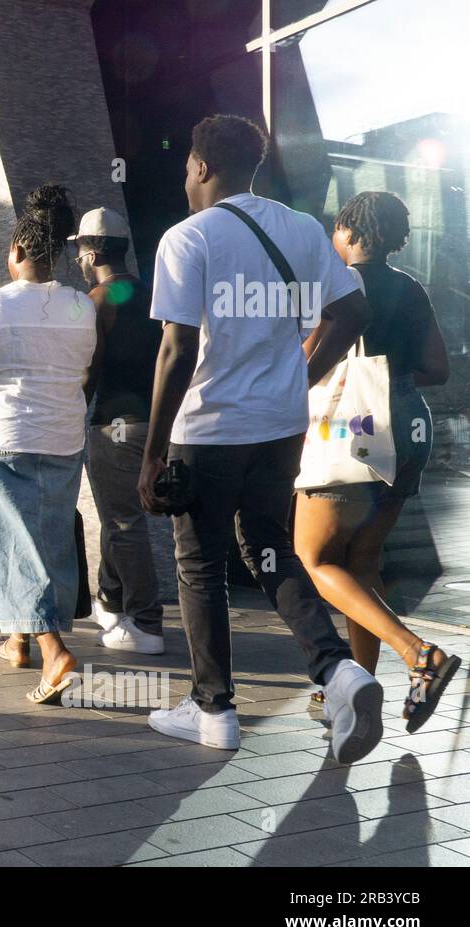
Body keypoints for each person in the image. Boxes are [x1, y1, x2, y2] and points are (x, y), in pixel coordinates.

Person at [138, 114, 381, 762]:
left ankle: (213, 709)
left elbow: (176, 349)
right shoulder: (300, 229)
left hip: (209, 432)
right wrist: (303, 373)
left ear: (200, 167)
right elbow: (353, 309)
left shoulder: (188, 239)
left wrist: (153, 452)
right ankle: (340, 670)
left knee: (200, 566)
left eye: (188, 167)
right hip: (278, 429)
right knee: (268, 547)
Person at [294, 192, 459, 731]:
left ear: (347, 229)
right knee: (363, 563)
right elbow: (437, 367)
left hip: (352, 432)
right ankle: (357, 690)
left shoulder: (341, 284)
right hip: (408, 431)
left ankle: (419, 655)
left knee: (314, 556)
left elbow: (310, 364)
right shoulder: (410, 287)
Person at [0, 185, 97, 703]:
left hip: (5, 437)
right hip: (62, 439)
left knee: (13, 543)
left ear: (17, 252)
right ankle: (17, 640)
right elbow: (81, 370)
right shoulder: (82, 306)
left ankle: (54, 652)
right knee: (46, 536)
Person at [75, 207, 165, 655]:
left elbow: (89, 372)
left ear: (90, 253)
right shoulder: (154, 296)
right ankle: (110, 601)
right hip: (159, 423)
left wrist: (70, 412)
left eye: (79, 251)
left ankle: (146, 624)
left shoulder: (97, 302)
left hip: (114, 426)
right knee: (119, 515)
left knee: (125, 522)